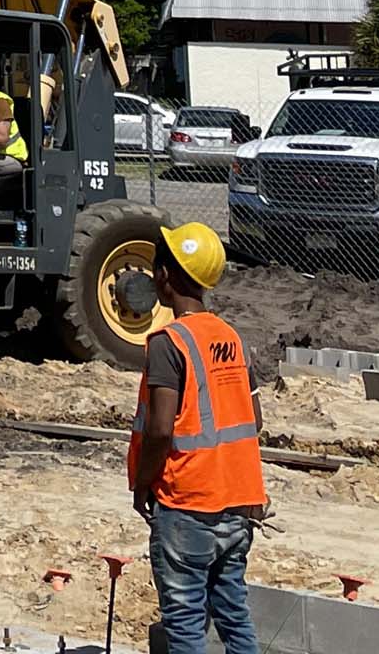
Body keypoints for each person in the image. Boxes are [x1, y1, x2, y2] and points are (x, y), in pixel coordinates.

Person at [128, 221, 265, 654]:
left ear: (164, 277)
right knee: (234, 615)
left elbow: (160, 428)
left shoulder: (168, 343)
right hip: (238, 502)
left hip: (187, 503)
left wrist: (143, 482)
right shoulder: (233, 339)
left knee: (185, 623)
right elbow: (254, 419)